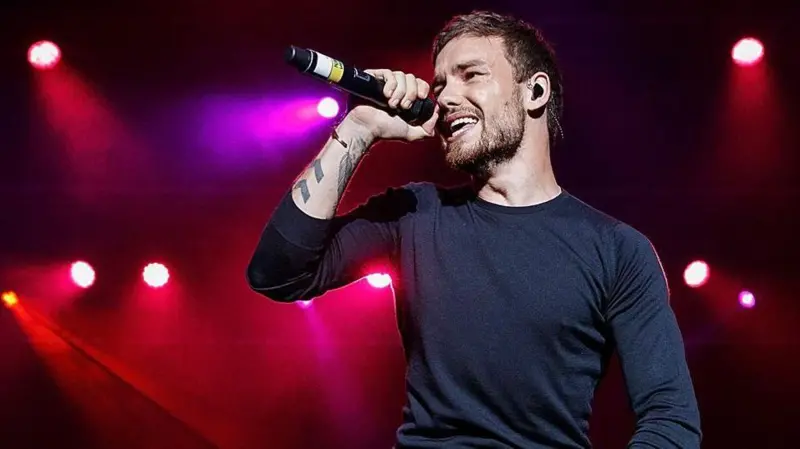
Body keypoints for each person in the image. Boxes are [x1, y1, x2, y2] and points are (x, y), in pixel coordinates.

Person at [247, 10, 701, 449]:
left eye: (471, 75)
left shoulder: (617, 250)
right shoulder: (414, 213)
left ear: (534, 91)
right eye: (440, 84)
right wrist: (359, 128)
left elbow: (670, 420)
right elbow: (279, 274)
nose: (446, 97)